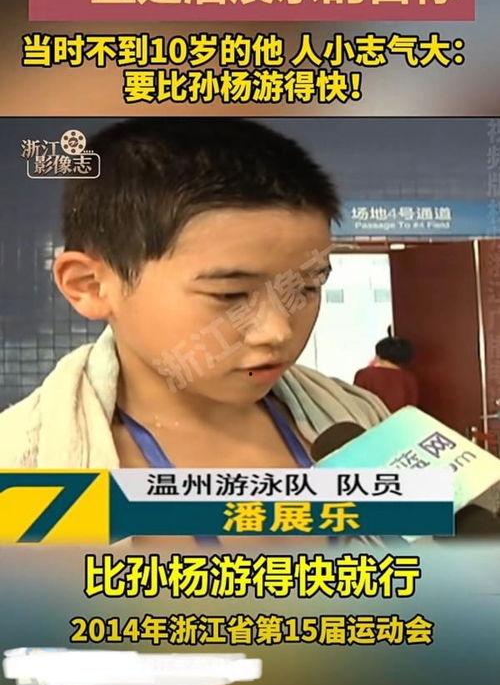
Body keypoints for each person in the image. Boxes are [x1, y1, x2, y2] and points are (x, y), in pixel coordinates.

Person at [0, 118, 389, 470]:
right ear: (90, 285)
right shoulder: (20, 463)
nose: (278, 332)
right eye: (231, 295)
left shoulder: (361, 418)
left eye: (306, 288)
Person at [353, 336, 419, 413]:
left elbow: (356, 404)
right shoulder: (409, 378)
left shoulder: (364, 375)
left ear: (379, 355)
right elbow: (411, 407)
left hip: (372, 419)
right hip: (400, 420)